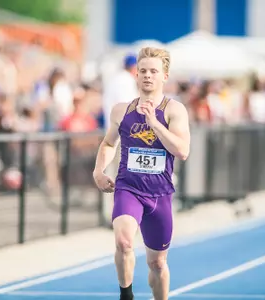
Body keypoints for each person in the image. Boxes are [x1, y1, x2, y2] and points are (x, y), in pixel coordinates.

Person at [93, 47, 191, 300]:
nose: (148, 76)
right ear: (136, 75)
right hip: (128, 188)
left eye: (153, 71)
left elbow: (182, 151)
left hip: (159, 194)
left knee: (157, 264)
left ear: (164, 76)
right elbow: (108, 144)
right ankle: (126, 295)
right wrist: (99, 170)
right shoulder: (121, 111)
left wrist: (155, 124)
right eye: (143, 71)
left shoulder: (174, 110)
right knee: (124, 241)